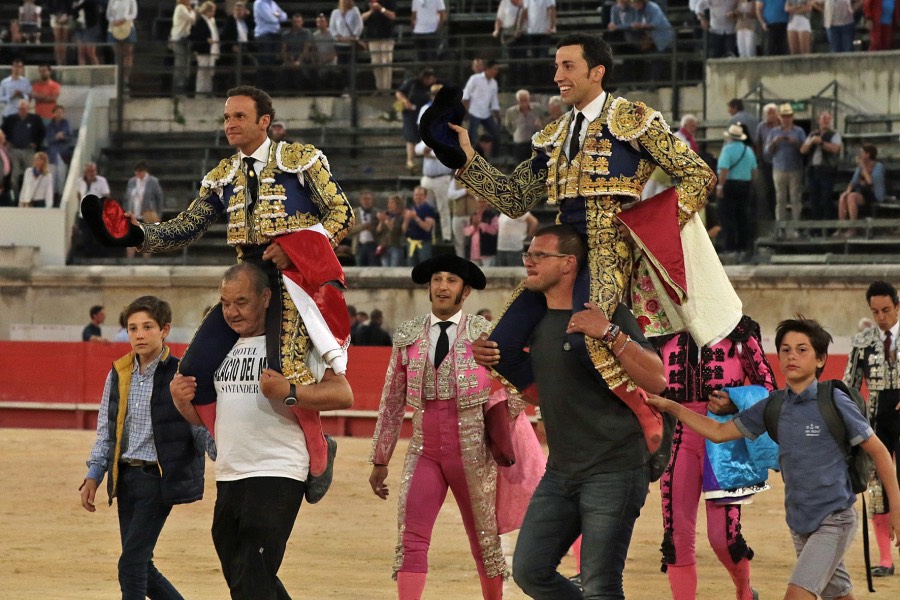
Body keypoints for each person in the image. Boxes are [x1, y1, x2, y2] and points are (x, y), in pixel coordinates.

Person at [428, 33, 715, 453]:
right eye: (556, 66)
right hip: (560, 251)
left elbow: (698, 175)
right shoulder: (555, 134)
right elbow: (514, 199)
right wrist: (468, 158)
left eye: (568, 66)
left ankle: (642, 409)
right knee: (499, 348)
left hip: (609, 251)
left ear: (596, 72)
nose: (557, 75)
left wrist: (651, 228)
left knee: (591, 337)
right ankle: (563, 406)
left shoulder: (632, 118)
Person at [81, 86, 354, 490]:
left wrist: (296, 249)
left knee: (286, 372)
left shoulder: (301, 160)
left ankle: (318, 449)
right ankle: (222, 442)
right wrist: (134, 234)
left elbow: (341, 214)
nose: (230, 124)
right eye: (226, 118)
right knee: (192, 372)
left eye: (239, 116)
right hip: (246, 280)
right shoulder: (222, 175)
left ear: (264, 121)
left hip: (295, 284)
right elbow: (185, 228)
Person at [473, 225, 666, 598]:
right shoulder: (537, 323)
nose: (528, 261)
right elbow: (545, 394)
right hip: (561, 471)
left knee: (600, 584)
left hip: (616, 468)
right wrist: (491, 357)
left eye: (539, 255)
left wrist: (609, 332)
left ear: (567, 264)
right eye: (528, 254)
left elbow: (656, 379)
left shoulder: (606, 313)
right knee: (530, 571)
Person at [647, 316, 900, 600]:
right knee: (839, 596)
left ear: (820, 360)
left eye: (802, 350)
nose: (792, 356)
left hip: (835, 519)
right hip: (800, 523)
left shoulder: (834, 401)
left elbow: (878, 450)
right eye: (786, 350)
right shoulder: (773, 405)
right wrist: (672, 406)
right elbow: (718, 432)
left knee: (796, 595)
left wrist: (898, 510)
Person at [171, 263, 353, 600]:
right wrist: (181, 403)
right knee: (246, 577)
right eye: (225, 304)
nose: (232, 312)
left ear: (266, 297)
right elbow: (211, 420)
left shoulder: (295, 344)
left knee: (251, 571)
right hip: (230, 472)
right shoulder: (220, 351)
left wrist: (290, 391)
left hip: (279, 468)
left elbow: (344, 393)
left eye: (241, 302)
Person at [369, 254, 537, 600]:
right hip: (423, 449)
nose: (442, 286)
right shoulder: (408, 335)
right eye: (437, 280)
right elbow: (392, 401)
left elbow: (518, 386)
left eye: (451, 281)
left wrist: (501, 414)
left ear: (466, 292)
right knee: (411, 539)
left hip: (473, 451)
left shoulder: (485, 334)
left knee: (485, 542)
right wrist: (380, 459)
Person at [80, 295, 214, 600]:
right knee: (141, 565)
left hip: (158, 479)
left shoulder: (181, 375)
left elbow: (199, 426)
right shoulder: (118, 373)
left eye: (147, 327)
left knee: (130, 564)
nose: (139, 334)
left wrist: (225, 453)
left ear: (164, 330)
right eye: (133, 328)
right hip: (125, 479)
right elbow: (107, 429)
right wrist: (94, 473)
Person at [654, 315, 776, 600]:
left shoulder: (737, 328)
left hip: (725, 439)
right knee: (677, 534)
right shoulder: (659, 327)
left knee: (724, 538)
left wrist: (735, 400)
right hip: (677, 437)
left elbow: (768, 388)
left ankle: (744, 591)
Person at [844, 281, 900, 577]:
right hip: (875, 421)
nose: (881, 317)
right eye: (875, 311)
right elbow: (849, 387)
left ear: (897, 306)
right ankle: (886, 559)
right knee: (877, 488)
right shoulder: (862, 341)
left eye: (886, 310)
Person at [417, 83, 454, 244]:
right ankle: (429, 237)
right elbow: (419, 148)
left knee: (444, 208)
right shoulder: (426, 113)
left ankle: (446, 236)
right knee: (426, 210)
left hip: (442, 176)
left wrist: (431, 152)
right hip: (427, 175)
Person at [717, 123, 758, 258]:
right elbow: (754, 171)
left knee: (728, 217)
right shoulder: (748, 150)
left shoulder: (727, 150)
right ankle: (743, 247)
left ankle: (730, 247)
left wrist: (720, 186)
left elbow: (724, 169)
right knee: (742, 217)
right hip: (745, 185)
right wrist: (751, 185)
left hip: (730, 184)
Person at [765, 103, 806, 230]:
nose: (786, 118)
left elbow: (805, 149)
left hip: (795, 168)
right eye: (783, 116)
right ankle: (780, 228)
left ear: (792, 117)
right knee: (780, 198)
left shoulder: (799, 131)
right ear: (780, 118)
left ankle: (796, 227)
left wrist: (796, 143)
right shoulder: (773, 132)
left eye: (788, 116)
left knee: (795, 198)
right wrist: (774, 142)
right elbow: (767, 151)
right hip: (779, 168)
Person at [800, 111, 842, 222]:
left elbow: (835, 149)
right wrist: (811, 142)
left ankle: (828, 226)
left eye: (828, 118)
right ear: (819, 121)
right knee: (814, 200)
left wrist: (821, 143)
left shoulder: (834, 134)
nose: (826, 121)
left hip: (827, 170)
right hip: (813, 170)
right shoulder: (812, 134)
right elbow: (803, 150)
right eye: (823, 118)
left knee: (825, 199)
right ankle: (816, 228)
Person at [835, 144, 885, 236]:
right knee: (844, 197)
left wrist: (863, 169)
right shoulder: (860, 167)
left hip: (874, 194)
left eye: (862, 152)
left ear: (868, 154)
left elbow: (870, 182)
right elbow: (853, 182)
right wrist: (847, 191)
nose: (859, 155)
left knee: (851, 197)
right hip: (862, 193)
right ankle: (841, 228)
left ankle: (852, 228)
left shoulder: (878, 166)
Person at [2, 99, 44, 199]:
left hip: (28, 151)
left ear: (28, 109)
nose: (22, 110)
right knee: (14, 175)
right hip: (14, 151)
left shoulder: (35, 119)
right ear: (18, 109)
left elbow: (42, 132)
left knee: (30, 174)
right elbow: (2, 131)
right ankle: (15, 197)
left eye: (24, 108)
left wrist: (36, 143)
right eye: (20, 108)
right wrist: (6, 142)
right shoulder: (10, 119)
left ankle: (29, 196)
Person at [396, 68, 437, 172]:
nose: (429, 81)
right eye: (427, 78)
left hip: (423, 112)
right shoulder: (413, 83)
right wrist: (405, 101)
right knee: (411, 137)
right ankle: (410, 161)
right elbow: (399, 92)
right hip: (410, 113)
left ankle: (422, 160)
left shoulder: (433, 87)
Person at [463, 59, 502, 157]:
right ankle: (469, 160)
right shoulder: (475, 79)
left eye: (497, 69)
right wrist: (465, 111)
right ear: (487, 69)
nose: (496, 72)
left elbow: (494, 101)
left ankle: (495, 159)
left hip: (486, 113)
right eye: (494, 69)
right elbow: (466, 95)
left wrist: (497, 115)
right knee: (472, 137)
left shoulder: (494, 83)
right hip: (473, 112)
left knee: (496, 135)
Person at [362, 0, 397, 92]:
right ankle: (379, 88)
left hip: (387, 36)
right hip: (373, 37)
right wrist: (371, 11)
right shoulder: (368, 2)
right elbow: (362, 17)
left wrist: (381, 9)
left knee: (386, 62)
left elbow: (393, 16)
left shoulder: (389, 2)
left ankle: (387, 89)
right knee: (376, 63)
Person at [504, 88, 543, 164]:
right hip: (519, 143)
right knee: (520, 165)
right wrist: (514, 132)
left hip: (534, 142)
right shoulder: (511, 112)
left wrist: (540, 125)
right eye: (521, 100)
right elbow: (507, 125)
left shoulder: (537, 109)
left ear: (529, 99)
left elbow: (544, 119)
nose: (524, 102)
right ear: (517, 101)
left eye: (526, 100)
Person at [754, 102, 779, 218]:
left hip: (781, 161)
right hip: (767, 162)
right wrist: (760, 159)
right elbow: (758, 143)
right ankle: (772, 214)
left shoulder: (781, 125)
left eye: (773, 113)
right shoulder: (761, 126)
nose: (771, 115)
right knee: (770, 188)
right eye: (769, 113)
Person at [106, 0, 137, 90]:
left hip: (127, 26)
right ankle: (118, 79)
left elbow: (134, 13)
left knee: (128, 54)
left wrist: (124, 19)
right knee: (117, 54)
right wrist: (114, 20)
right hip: (114, 27)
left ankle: (125, 79)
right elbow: (108, 14)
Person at [45, 105, 72, 204]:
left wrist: (62, 137)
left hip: (63, 152)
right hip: (52, 153)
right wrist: (56, 137)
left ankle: (60, 197)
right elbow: (48, 139)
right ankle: (52, 197)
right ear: (54, 113)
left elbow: (69, 137)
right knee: (51, 176)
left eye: (61, 112)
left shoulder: (66, 123)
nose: (59, 114)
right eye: (57, 112)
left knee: (61, 176)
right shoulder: (50, 125)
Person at [403, 185, 436, 266]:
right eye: (416, 194)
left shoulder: (429, 209)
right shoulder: (411, 208)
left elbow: (427, 228)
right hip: (411, 243)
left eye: (420, 195)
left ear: (425, 196)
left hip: (424, 243)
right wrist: (407, 219)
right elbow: (404, 229)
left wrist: (416, 218)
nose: (418, 197)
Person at [169, 0, 196, 95]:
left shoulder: (184, 8)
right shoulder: (180, 8)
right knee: (180, 63)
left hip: (184, 38)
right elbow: (192, 19)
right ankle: (178, 88)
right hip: (179, 38)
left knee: (185, 63)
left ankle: (183, 85)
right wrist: (192, 11)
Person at [280, 14, 313, 91]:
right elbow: (283, 50)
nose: (297, 23)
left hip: (303, 59)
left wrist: (298, 61)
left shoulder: (306, 33)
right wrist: (288, 61)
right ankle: (283, 94)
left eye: (299, 21)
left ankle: (300, 93)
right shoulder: (286, 34)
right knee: (282, 69)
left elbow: (306, 49)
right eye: (295, 22)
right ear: (292, 23)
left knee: (300, 69)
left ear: (302, 22)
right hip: (289, 59)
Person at [125, 160, 164, 224]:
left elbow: (159, 198)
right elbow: (127, 198)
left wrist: (159, 215)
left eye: (140, 171)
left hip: (148, 213)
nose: (137, 173)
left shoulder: (153, 181)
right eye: (136, 171)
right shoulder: (131, 181)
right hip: (133, 213)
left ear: (145, 171)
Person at [253, 0, 288, 69]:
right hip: (264, 35)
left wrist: (276, 15)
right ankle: (264, 79)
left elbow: (285, 16)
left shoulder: (273, 3)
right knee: (266, 62)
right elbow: (271, 19)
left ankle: (271, 78)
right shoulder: (259, 3)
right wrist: (278, 15)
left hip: (275, 35)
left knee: (275, 62)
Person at [350, 190, 378, 266]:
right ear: (360, 200)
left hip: (373, 246)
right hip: (359, 247)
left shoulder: (377, 213)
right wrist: (362, 227)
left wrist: (371, 228)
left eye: (368, 199)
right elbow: (348, 231)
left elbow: (380, 230)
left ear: (372, 200)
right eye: (364, 199)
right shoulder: (354, 213)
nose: (366, 201)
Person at [376, 193, 405, 267]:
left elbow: (397, 231)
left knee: (394, 269)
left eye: (392, 202)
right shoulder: (385, 215)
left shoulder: (401, 217)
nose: (389, 205)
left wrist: (388, 222)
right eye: (389, 202)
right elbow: (378, 231)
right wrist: (381, 221)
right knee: (385, 269)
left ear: (398, 204)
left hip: (395, 246)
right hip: (384, 246)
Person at [71, 0, 102, 66]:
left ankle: (98, 73)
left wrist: (76, 6)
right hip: (79, 27)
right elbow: (73, 11)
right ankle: (83, 74)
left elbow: (89, 5)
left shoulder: (90, 2)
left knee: (90, 52)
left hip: (90, 27)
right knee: (81, 52)